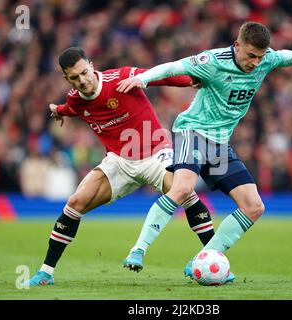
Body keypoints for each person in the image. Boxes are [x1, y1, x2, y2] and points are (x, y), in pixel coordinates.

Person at [117, 21, 292, 283]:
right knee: (182, 188)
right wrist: (143, 79)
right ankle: (138, 250)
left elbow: (282, 57)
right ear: (237, 45)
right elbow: (174, 66)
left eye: (260, 57)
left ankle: (203, 259)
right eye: (251, 55)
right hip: (192, 131)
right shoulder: (212, 60)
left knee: (254, 207)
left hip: (219, 143)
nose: (255, 63)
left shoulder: (265, 60)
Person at [22, 47, 216, 287]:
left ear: (92, 65)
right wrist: (58, 110)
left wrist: (192, 80)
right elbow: (72, 107)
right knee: (74, 203)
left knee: (184, 192)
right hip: (120, 162)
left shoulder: (121, 78)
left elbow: (160, 76)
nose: (82, 80)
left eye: (85, 72)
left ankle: (215, 258)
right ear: (67, 79)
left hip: (156, 153)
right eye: (75, 77)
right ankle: (45, 273)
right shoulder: (75, 98)